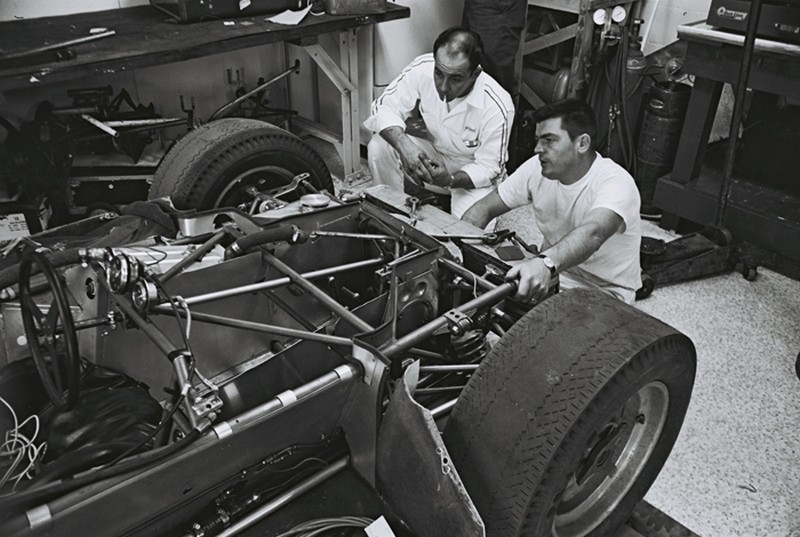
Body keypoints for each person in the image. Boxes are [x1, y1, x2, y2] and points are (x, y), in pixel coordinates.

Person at [462, 98, 642, 304]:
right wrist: (460, 251)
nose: (537, 149)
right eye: (538, 140)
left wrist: (545, 263)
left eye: (549, 140)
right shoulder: (536, 168)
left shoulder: (616, 182)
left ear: (582, 143)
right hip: (550, 273)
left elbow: (594, 233)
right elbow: (483, 209)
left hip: (604, 291)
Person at [363, 27, 514, 218]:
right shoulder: (422, 67)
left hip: (472, 176)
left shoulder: (497, 105)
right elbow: (382, 108)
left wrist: (449, 180)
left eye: (456, 79)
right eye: (439, 73)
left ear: (475, 74)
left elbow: (489, 168)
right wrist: (405, 147)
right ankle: (390, 212)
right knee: (379, 145)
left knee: (468, 236)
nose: (443, 86)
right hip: (434, 158)